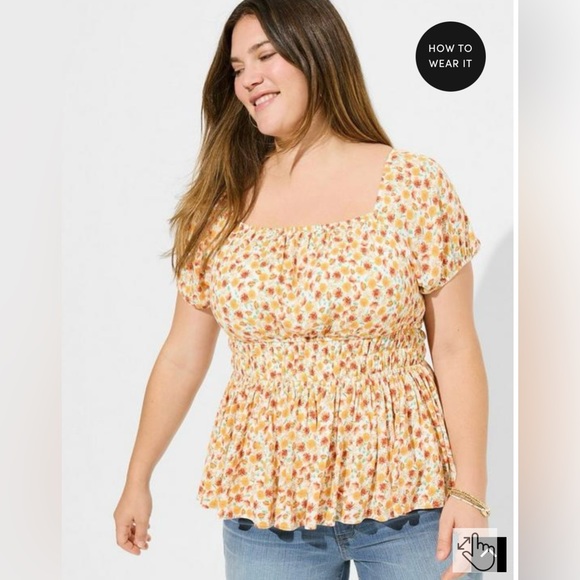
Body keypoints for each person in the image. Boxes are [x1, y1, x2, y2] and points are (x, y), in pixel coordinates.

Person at [113, 1, 489, 578]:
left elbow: (458, 346)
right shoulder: (218, 206)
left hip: (421, 502)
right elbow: (182, 355)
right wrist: (136, 478)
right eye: (237, 68)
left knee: (487, 571)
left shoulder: (416, 182)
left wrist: (475, 495)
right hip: (265, 516)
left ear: (319, 53)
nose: (248, 79)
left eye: (265, 56)